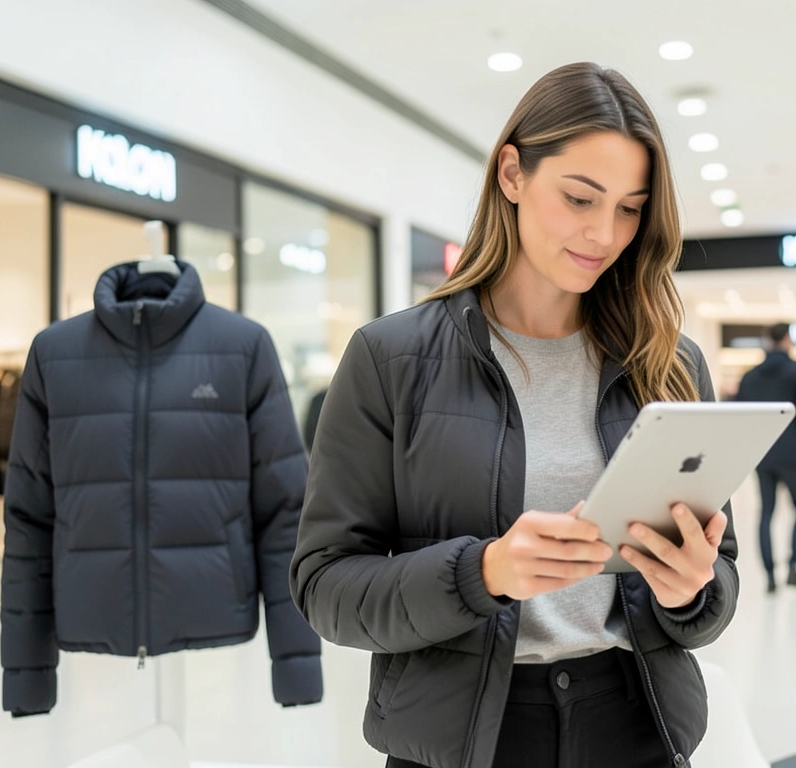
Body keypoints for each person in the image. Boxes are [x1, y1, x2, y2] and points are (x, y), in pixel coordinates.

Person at [290, 63, 738, 768]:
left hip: (636, 725)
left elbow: (720, 578)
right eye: (581, 198)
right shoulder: (391, 358)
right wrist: (486, 572)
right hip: (465, 739)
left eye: (629, 208)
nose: (605, 233)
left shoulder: (667, 361)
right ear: (511, 175)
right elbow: (326, 587)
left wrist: (690, 591)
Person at [735, 323, 796, 592]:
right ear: (788, 339)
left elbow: (739, 419)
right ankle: (793, 567)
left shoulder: (750, 376)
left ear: (766, 340)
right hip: (794, 453)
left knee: (766, 512)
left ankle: (770, 577)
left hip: (762, 453)